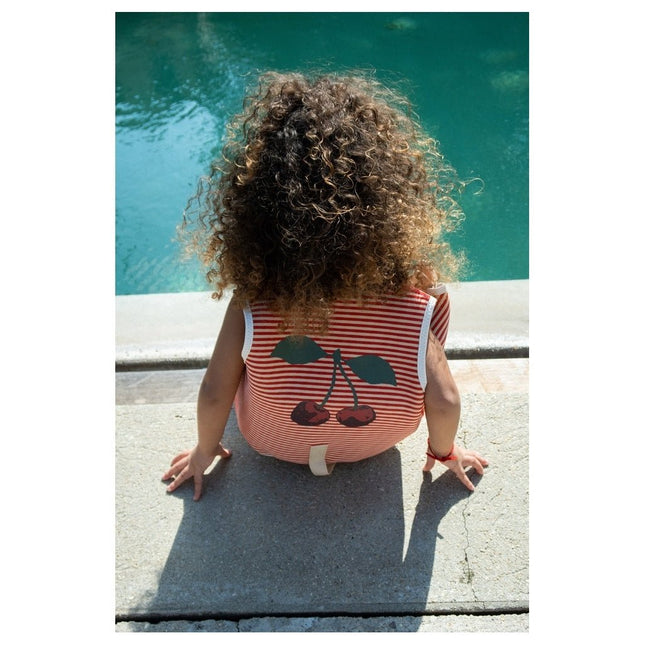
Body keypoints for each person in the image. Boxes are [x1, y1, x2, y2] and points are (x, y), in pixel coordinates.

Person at [162, 72, 488, 501]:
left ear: (258, 211)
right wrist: (444, 451)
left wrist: (204, 450)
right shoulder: (414, 305)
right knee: (423, 325)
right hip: (375, 443)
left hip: (270, 442)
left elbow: (213, 392)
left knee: (247, 361)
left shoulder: (252, 303)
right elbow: (445, 401)